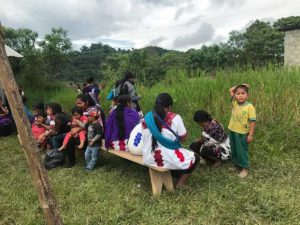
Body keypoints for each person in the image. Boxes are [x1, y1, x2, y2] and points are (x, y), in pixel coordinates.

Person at [138, 93, 199, 188]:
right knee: (195, 157)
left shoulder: (146, 118)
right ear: (169, 106)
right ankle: (180, 184)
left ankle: (174, 173)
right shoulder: (175, 118)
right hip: (164, 158)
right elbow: (184, 138)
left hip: (149, 157)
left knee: (171, 156)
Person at [228, 84, 256, 178]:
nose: (240, 95)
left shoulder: (249, 106)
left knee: (242, 151)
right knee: (234, 149)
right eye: (238, 93)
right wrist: (242, 84)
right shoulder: (234, 103)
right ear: (235, 96)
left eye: (243, 93)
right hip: (232, 130)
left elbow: (252, 121)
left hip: (242, 133)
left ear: (247, 96)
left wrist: (251, 135)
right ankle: (236, 165)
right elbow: (230, 90)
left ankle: (244, 168)